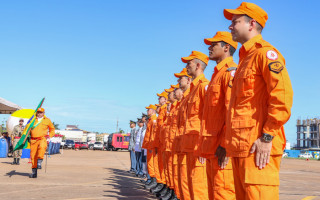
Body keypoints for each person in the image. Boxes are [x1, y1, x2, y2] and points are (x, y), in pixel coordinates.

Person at [223, 2, 293, 199]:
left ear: (251, 24)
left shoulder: (266, 54)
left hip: (258, 148)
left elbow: (282, 97)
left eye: (235, 22)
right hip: (241, 148)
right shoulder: (245, 60)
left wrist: (267, 136)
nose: (230, 26)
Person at [197, 31, 238, 200]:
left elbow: (232, 111)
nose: (209, 47)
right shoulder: (217, 75)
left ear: (226, 47)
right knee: (213, 192)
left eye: (214, 44)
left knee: (223, 192)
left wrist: (225, 144)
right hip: (212, 147)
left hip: (222, 149)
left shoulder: (229, 73)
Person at [179, 51, 210, 200]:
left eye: (189, 63)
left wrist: (204, 145)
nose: (186, 67)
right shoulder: (193, 91)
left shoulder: (204, 86)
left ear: (198, 65)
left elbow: (210, 117)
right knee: (190, 182)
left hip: (199, 146)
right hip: (189, 145)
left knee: (199, 187)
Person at [29, 108, 55, 178]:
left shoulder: (47, 120)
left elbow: (52, 129)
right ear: (36, 113)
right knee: (33, 156)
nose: (39, 114)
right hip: (33, 140)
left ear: (44, 113)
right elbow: (27, 129)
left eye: (41, 112)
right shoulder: (32, 120)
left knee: (42, 147)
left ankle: (39, 162)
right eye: (38, 112)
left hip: (42, 138)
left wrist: (49, 135)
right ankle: (34, 173)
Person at [142, 104, 158, 189]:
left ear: (153, 110)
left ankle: (154, 180)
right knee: (149, 163)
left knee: (152, 163)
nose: (147, 111)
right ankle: (152, 180)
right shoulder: (151, 120)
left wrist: (152, 146)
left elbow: (153, 135)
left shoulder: (154, 119)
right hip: (149, 146)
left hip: (151, 146)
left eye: (149, 110)